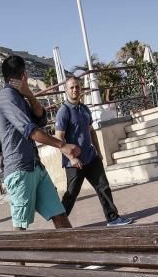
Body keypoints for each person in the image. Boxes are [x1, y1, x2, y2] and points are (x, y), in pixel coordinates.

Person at [0, 55, 80, 230]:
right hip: (19, 171)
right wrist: (62, 146)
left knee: (60, 214)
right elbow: (31, 131)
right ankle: (18, 258)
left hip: (36, 168)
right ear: (24, 75)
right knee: (20, 229)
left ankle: (76, 256)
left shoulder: (20, 97)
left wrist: (30, 95)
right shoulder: (7, 98)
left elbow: (40, 119)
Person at [55, 76, 133, 227]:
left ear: (81, 89)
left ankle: (113, 218)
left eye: (77, 87)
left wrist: (98, 150)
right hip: (74, 163)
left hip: (91, 158)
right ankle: (60, 224)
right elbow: (59, 139)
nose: (75, 90)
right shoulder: (63, 111)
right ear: (66, 90)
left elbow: (91, 131)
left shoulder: (84, 109)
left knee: (103, 187)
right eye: (71, 87)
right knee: (71, 194)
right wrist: (71, 158)